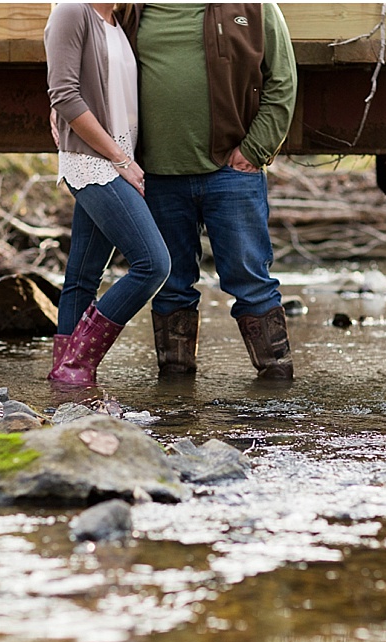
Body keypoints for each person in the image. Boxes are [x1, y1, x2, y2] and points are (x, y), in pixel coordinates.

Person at [120, 3, 298, 380]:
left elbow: (282, 81)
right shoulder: (130, 9)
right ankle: (174, 397)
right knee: (170, 287)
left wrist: (255, 149)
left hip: (230, 171)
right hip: (156, 175)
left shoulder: (255, 7)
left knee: (251, 283)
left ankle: (278, 391)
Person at [43, 3, 171, 386]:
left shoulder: (120, 20)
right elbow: (63, 94)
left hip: (118, 156)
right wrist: (119, 159)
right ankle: (76, 367)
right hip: (96, 161)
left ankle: (64, 380)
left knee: (82, 276)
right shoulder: (71, 10)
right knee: (153, 264)